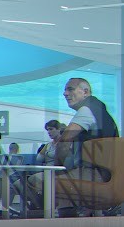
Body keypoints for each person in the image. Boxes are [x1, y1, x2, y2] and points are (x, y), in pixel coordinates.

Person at [27, 77, 118, 213]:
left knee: (36, 180)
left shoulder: (87, 110)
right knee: (63, 190)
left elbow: (64, 141)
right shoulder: (100, 109)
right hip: (104, 173)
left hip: (94, 174)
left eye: (70, 89)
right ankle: (67, 221)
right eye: (64, 90)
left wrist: (58, 168)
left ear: (85, 92)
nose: (65, 93)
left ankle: (44, 220)